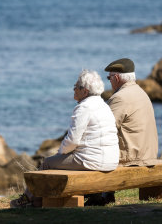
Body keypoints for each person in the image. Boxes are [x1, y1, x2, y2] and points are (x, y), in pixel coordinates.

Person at [10, 70, 119, 208]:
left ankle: (28, 199)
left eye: (76, 86)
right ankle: (37, 201)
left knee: (47, 163)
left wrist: (60, 153)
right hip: (110, 160)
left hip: (93, 161)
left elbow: (72, 141)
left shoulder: (84, 108)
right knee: (57, 161)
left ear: (84, 91)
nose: (73, 89)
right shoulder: (104, 106)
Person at [86, 58, 159, 206]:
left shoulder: (120, 98)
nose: (109, 82)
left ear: (117, 78)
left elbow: (100, 129)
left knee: (90, 152)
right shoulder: (141, 93)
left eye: (109, 78)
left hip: (133, 159)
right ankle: (105, 194)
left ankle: (97, 196)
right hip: (149, 155)